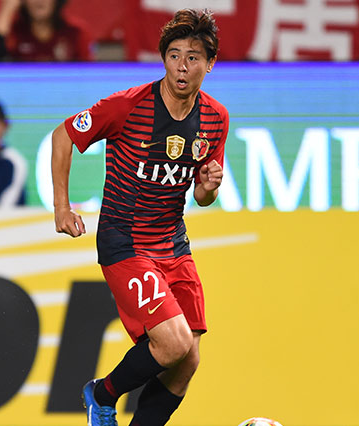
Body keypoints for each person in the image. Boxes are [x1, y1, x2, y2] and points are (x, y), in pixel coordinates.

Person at [51, 8, 228, 426]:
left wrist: (208, 186)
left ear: (210, 64)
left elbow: (202, 196)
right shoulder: (127, 106)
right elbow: (64, 135)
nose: (182, 66)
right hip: (125, 241)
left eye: (193, 57)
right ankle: (101, 394)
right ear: (163, 58)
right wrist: (62, 207)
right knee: (172, 344)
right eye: (174, 55)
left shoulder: (215, 118)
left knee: (188, 359)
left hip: (173, 244)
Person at [0, 0, 93, 62]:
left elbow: (89, 72)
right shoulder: (14, 30)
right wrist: (7, 9)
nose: (39, 1)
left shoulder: (76, 31)